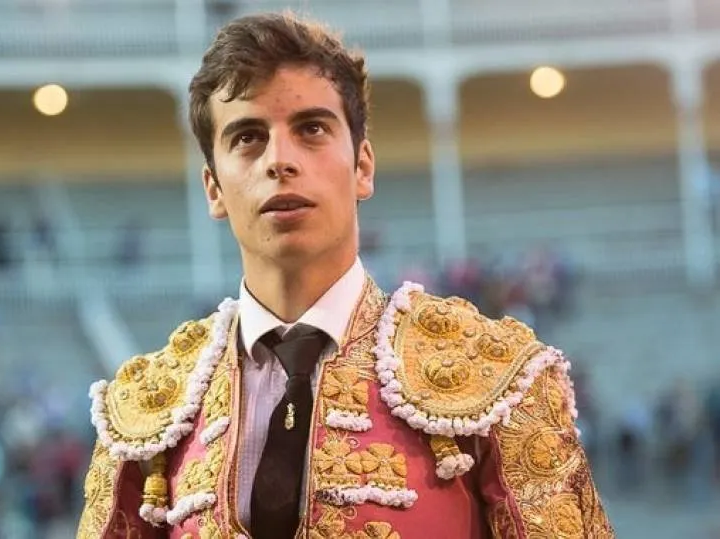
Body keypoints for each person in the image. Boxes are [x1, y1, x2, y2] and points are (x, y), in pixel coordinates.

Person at [78, 12, 612, 538]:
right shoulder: (145, 414)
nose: (280, 161)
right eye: (248, 137)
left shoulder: (502, 379)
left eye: (311, 129)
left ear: (362, 166)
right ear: (214, 188)